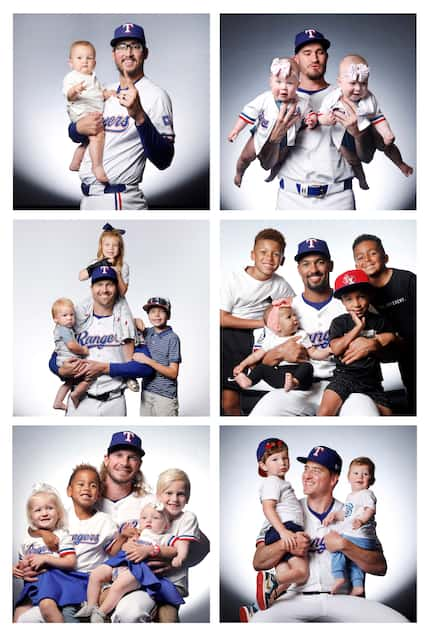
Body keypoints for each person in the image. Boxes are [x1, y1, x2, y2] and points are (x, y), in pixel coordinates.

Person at [240, 445, 408, 623]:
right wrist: (286, 542)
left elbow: (380, 567)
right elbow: (258, 562)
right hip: (294, 598)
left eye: (316, 470)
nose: (307, 475)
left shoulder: (353, 513)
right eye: (306, 468)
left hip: (343, 599)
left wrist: (346, 545)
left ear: (334, 479)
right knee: (258, 624)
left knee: (399, 624)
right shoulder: (285, 510)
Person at [249, 238, 388, 417]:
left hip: (351, 386)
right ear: (299, 269)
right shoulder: (284, 309)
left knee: (366, 417)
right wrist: (279, 352)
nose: (313, 269)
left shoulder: (354, 302)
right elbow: (258, 365)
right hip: (300, 387)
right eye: (306, 264)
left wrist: (378, 342)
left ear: (330, 265)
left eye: (320, 262)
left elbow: (391, 346)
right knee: (261, 415)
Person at [258, 29, 377, 210]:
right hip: (290, 197)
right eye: (307, 53)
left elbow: (367, 157)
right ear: (295, 59)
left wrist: (358, 134)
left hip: (338, 197)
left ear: (327, 57)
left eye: (320, 52)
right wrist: (274, 138)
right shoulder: (278, 99)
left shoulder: (350, 94)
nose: (315, 59)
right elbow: (265, 164)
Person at [68, 22, 174, 210]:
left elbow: (164, 160)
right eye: (122, 47)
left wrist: (140, 116)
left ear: (145, 53)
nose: (128, 53)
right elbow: (77, 132)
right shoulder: (104, 90)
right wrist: (76, 128)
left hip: (119, 199)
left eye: (135, 46)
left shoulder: (156, 95)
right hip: (86, 199)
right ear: (114, 54)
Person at [15, 465, 120, 623]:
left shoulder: (104, 521)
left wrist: (125, 537)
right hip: (59, 578)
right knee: (23, 617)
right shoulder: (61, 515)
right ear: (69, 491)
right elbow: (35, 527)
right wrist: (44, 533)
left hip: (89, 580)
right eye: (81, 484)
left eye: (93, 485)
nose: (87, 488)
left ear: (99, 494)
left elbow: (114, 551)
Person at [220, 228, 294, 415]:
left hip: (263, 339)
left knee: (260, 394)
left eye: (276, 254)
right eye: (263, 252)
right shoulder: (234, 279)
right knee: (229, 401)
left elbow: (296, 308)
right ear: (252, 255)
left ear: (282, 260)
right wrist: (262, 323)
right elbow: (221, 319)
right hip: (233, 336)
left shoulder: (281, 284)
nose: (269, 258)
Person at [51, 265, 141, 416]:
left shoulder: (127, 323)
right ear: (91, 288)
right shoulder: (76, 320)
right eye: (99, 284)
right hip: (80, 402)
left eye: (109, 284)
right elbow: (56, 356)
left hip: (114, 401)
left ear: (117, 287)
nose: (104, 289)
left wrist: (105, 368)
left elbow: (144, 368)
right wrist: (60, 370)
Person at [76, 502, 185, 623]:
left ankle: (101, 613)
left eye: (155, 518)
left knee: (118, 586)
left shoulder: (164, 537)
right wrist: (126, 539)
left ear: (166, 525)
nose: (148, 521)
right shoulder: (137, 533)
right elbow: (114, 548)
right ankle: (91, 606)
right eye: (144, 518)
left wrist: (152, 550)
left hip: (139, 569)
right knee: (96, 574)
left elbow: (174, 549)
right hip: (121, 563)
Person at [318, 54, 413, 189]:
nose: (358, 88)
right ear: (340, 82)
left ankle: (400, 163)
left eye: (363, 83)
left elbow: (378, 117)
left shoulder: (369, 98)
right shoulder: (332, 98)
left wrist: (387, 133)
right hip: (342, 136)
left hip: (368, 130)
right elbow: (320, 114)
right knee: (352, 160)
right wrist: (325, 119)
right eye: (352, 83)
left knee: (387, 145)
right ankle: (361, 179)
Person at [352, 234, 416, 415]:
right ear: (356, 265)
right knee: (413, 389)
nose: (367, 260)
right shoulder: (362, 294)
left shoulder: (408, 281)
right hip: (396, 349)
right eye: (360, 257)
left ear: (385, 257)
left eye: (372, 253)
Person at [317, 269, 396, 416]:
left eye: (361, 297)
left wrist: (378, 343)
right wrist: (358, 327)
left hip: (372, 381)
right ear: (342, 302)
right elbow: (336, 349)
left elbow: (390, 350)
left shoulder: (379, 321)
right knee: (324, 412)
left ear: (370, 296)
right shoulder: (339, 322)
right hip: (344, 376)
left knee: (388, 416)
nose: (356, 304)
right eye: (349, 299)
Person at [228, 57, 312, 187]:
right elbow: (248, 112)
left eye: (289, 83)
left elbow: (309, 113)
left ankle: (274, 171)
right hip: (260, 136)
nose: (283, 87)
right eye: (278, 82)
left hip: (286, 142)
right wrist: (236, 130)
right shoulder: (265, 99)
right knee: (245, 157)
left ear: (298, 85)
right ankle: (239, 173)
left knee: (280, 160)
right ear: (270, 82)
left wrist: (312, 119)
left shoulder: (302, 103)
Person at [79, 223, 139, 393]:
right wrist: (97, 265)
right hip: (98, 300)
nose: (111, 249)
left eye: (115, 246)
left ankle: (128, 372)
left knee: (127, 329)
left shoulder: (123, 266)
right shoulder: (95, 262)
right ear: (101, 246)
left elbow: (123, 291)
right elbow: (81, 276)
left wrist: (117, 272)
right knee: (76, 317)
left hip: (118, 302)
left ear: (120, 249)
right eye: (107, 245)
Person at [255, 438, 308, 611]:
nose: (282, 463)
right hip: (285, 529)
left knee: (287, 576)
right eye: (275, 459)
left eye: (285, 458)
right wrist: (284, 531)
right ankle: (271, 581)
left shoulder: (280, 483)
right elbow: (267, 508)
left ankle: (256, 608)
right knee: (301, 573)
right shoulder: (273, 482)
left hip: (279, 531)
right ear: (263, 466)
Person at [233, 298, 330, 391]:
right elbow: (256, 356)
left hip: (301, 377)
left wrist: (329, 350)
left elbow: (313, 353)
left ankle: (294, 382)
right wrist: (242, 365)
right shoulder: (272, 339)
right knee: (261, 368)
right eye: (289, 317)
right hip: (280, 376)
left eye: (294, 315)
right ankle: (248, 381)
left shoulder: (301, 335)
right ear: (277, 326)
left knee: (307, 366)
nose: (295, 318)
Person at [13, 484, 77, 623]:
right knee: (17, 616)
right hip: (33, 587)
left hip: (53, 584)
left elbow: (71, 562)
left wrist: (46, 559)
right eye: (38, 510)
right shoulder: (26, 541)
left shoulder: (61, 536)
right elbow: (22, 566)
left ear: (59, 512)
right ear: (31, 515)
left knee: (47, 608)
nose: (44, 513)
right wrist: (18, 569)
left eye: (50, 508)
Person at [322, 457, 378, 596]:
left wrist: (362, 521)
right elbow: (346, 515)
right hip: (360, 537)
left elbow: (370, 510)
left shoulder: (366, 494)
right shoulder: (351, 496)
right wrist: (334, 515)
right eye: (356, 473)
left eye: (365, 474)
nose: (360, 477)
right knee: (355, 561)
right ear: (348, 477)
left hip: (359, 535)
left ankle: (339, 576)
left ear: (371, 479)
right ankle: (358, 586)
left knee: (336, 547)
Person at [63, 40, 113, 183]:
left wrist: (106, 94)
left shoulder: (93, 78)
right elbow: (68, 95)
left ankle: (76, 162)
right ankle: (97, 166)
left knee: (88, 142)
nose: (84, 61)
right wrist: (75, 90)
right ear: (71, 63)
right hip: (82, 113)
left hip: (92, 111)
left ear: (94, 63)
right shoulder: (72, 77)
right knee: (98, 135)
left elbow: (98, 93)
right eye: (79, 58)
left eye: (89, 58)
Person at [132, 297, 182, 417]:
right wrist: (135, 320)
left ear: (168, 315)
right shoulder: (147, 333)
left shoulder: (173, 338)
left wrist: (148, 361)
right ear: (148, 314)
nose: (157, 315)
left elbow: (173, 373)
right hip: (146, 392)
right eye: (153, 311)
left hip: (165, 396)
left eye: (162, 311)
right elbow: (126, 321)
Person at [51, 297, 91, 410]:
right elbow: (71, 346)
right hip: (69, 360)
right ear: (55, 319)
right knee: (90, 375)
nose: (69, 318)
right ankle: (76, 395)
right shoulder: (64, 330)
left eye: (72, 315)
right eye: (65, 315)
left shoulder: (62, 328)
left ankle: (58, 402)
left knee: (69, 382)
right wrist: (83, 350)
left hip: (63, 360)